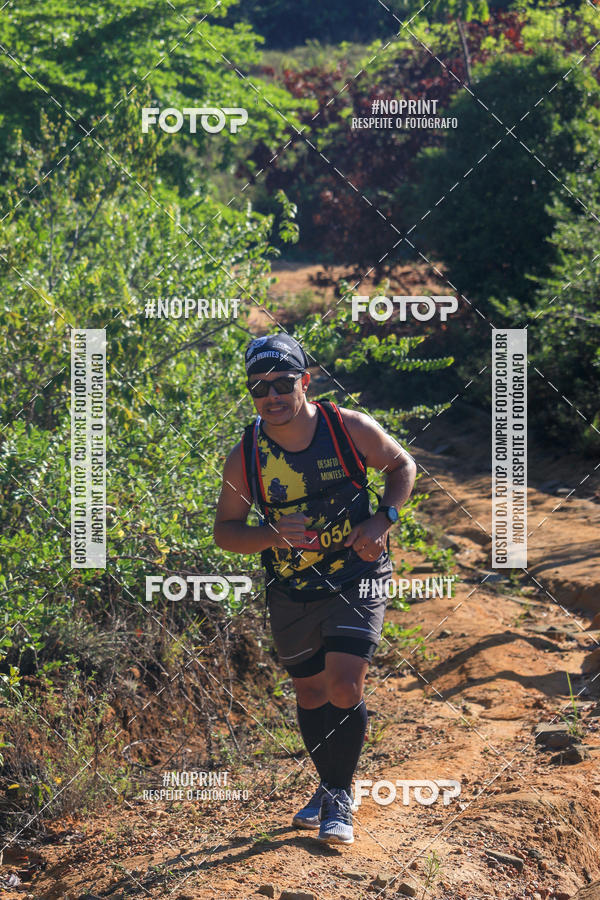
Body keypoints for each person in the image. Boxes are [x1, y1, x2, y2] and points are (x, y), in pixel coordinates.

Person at [213, 333, 416, 844]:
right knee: (309, 690)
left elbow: (401, 467)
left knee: (345, 685)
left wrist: (382, 521)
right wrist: (272, 536)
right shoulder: (245, 455)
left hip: (356, 574)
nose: (272, 395)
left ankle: (339, 798)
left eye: (283, 382)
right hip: (290, 587)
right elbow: (226, 532)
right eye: (259, 387)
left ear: (305, 380)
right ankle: (328, 786)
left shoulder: (347, 428)